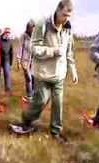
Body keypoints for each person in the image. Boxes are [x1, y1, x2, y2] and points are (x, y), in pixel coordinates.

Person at [9, 0, 79, 144]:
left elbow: (69, 51)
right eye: (64, 15)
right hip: (43, 74)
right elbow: (34, 48)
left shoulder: (68, 29)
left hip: (59, 74)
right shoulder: (42, 24)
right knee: (40, 100)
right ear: (58, 10)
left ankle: (55, 132)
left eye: (69, 16)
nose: (66, 19)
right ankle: (27, 120)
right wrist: (53, 51)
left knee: (58, 104)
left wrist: (73, 70)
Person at [16, 20, 36, 103]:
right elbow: (20, 48)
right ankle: (29, 96)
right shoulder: (23, 36)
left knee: (34, 78)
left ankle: (34, 95)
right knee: (29, 78)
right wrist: (18, 59)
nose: (33, 30)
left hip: (34, 60)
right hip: (25, 60)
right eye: (32, 28)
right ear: (28, 28)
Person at [0, 27, 14, 95]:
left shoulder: (10, 41)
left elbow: (11, 52)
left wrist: (10, 62)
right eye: (7, 33)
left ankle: (7, 90)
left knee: (7, 74)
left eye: (9, 33)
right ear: (4, 33)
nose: (8, 34)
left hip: (6, 60)